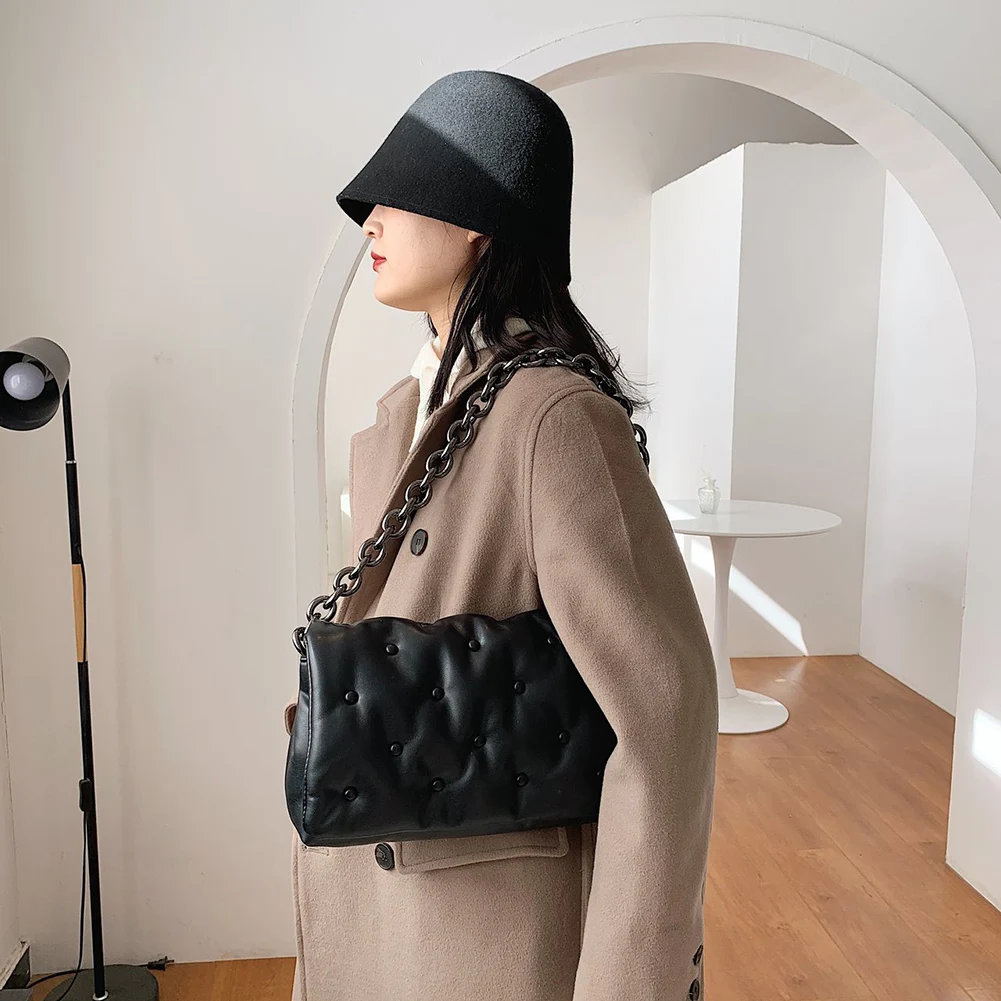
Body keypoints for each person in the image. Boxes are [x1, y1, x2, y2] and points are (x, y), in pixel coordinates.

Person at [285, 69, 718, 1001]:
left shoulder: (554, 418)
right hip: (393, 880)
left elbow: (664, 717)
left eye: (397, 196)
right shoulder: (403, 417)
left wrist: (626, 980)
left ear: (478, 218)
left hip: (492, 928)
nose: (370, 222)